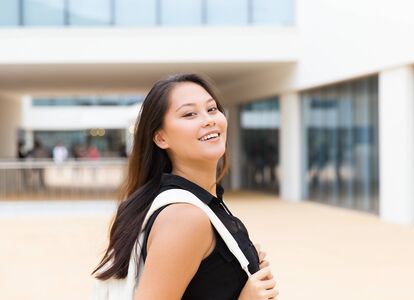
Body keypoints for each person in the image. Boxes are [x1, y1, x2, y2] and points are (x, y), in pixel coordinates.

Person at [92, 73, 278, 300]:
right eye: (189, 114)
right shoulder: (185, 217)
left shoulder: (200, 204)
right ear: (161, 138)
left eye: (212, 109)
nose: (208, 120)